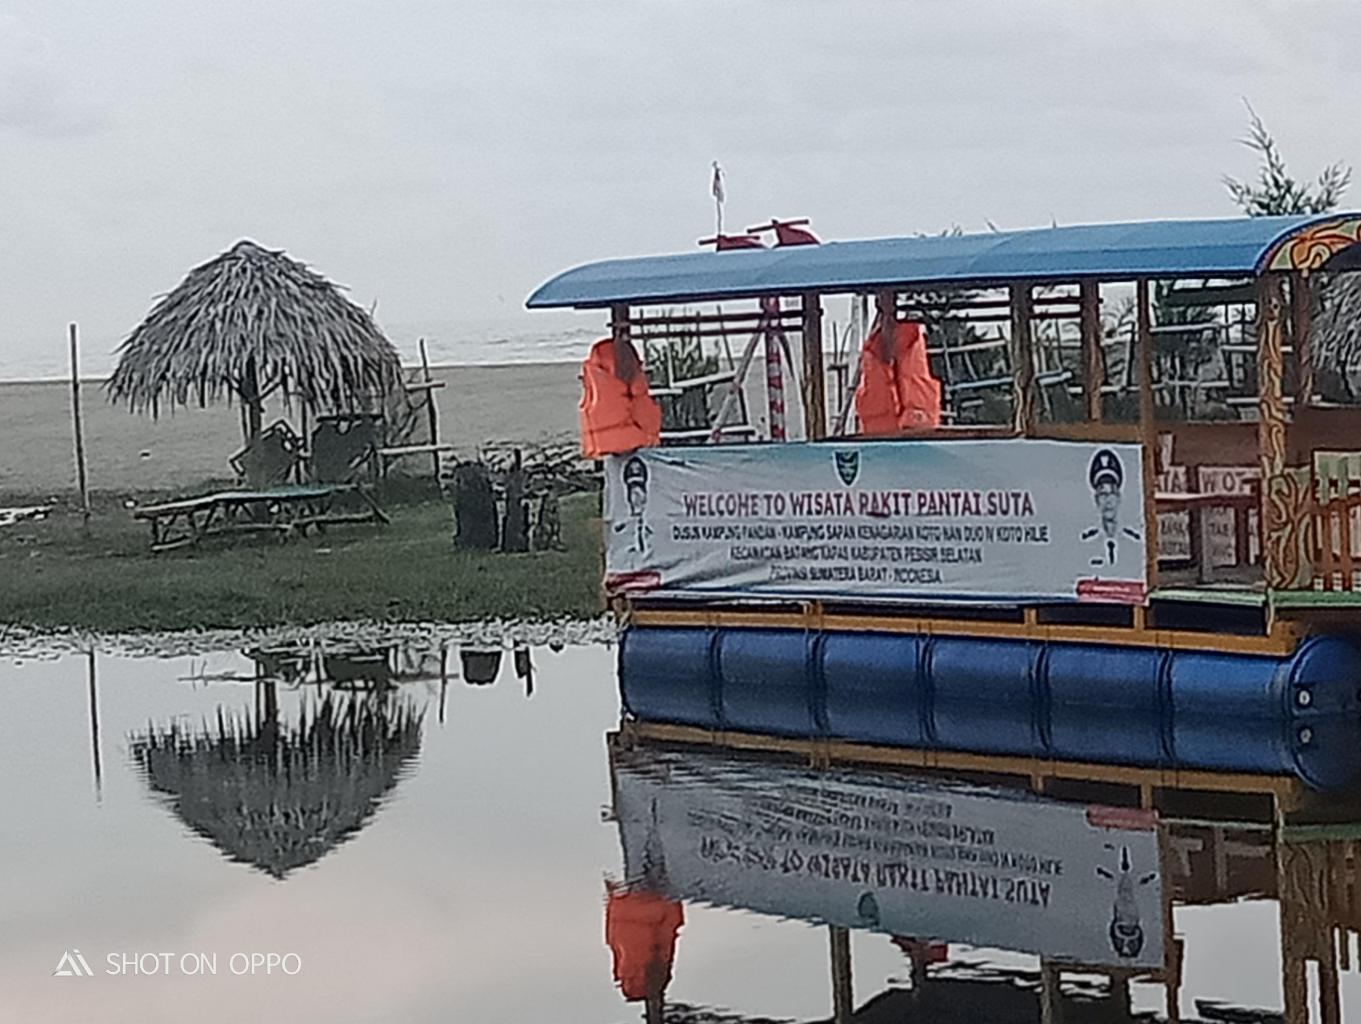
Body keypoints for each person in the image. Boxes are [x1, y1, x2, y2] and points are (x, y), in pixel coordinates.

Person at [1081, 448, 1142, 567]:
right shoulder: (1087, 542)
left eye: (1112, 494)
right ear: (1096, 500)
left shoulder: (1133, 541)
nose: (1108, 501)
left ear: (1119, 498)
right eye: (1103, 494)